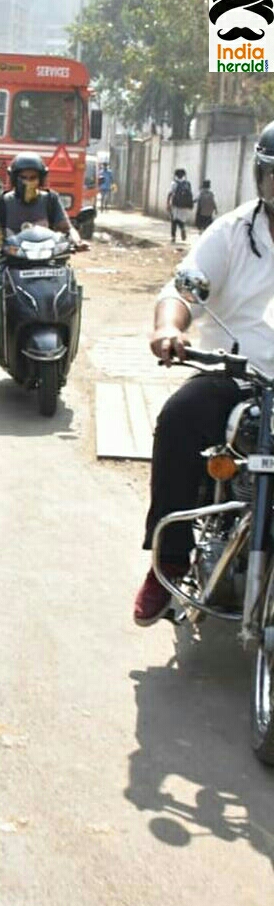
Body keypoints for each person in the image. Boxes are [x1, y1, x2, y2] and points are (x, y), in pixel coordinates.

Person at [133, 121, 274, 625]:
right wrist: (168, 329)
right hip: (239, 378)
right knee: (180, 417)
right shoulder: (234, 231)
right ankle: (168, 560)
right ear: (261, 177)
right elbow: (181, 291)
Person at [0, 153, 88, 358]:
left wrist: (77, 241)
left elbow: (66, 228)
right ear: (14, 179)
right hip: (13, 262)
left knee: (70, 289)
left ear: (41, 179)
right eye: (24, 178)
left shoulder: (50, 199)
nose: (28, 182)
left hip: (48, 262)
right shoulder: (3, 202)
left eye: (33, 177)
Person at [167, 167, 194, 243]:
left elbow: (170, 193)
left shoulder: (174, 183)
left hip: (175, 205)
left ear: (176, 175)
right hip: (185, 206)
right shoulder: (187, 184)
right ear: (183, 175)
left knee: (174, 221)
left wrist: (168, 203)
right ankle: (182, 228)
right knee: (181, 220)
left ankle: (173, 237)